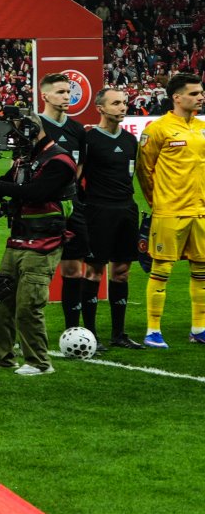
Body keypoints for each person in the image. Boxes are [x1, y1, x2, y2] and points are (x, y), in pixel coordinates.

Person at [0, 117, 77, 375]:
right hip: (17, 239)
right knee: (0, 301)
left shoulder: (60, 161)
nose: (12, 141)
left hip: (43, 243)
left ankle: (39, 363)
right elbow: (7, 184)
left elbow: (36, 192)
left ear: (31, 131)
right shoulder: (25, 159)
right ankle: (1, 357)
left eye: (16, 135)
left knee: (28, 306)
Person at [135, 71, 205, 348]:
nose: (200, 97)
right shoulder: (158, 129)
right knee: (161, 269)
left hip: (200, 211)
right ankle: (153, 330)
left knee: (201, 271)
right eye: (194, 93)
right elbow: (144, 171)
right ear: (177, 97)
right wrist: (159, 202)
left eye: (201, 92)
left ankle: (199, 328)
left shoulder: (201, 128)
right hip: (169, 211)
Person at [78, 86, 144, 348]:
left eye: (124, 102)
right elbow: (77, 178)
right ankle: (90, 334)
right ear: (101, 108)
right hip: (98, 211)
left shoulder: (130, 140)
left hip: (126, 210)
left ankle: (119, 334)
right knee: (94, 271)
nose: (122, 107)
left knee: (122, 272)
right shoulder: (89, 140)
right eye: (116, 103)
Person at [35, 73, 97, 335]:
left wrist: (67, 189)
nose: (67, 96)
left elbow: (80, 165)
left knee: (73, 268)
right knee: (35, 270)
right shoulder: (35, 125)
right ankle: (29, 331)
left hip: (70, 206)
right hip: (40, 208)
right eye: (60, 92)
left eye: (68, 92)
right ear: (45, 95)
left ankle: (72, 331)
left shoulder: (77, 129)